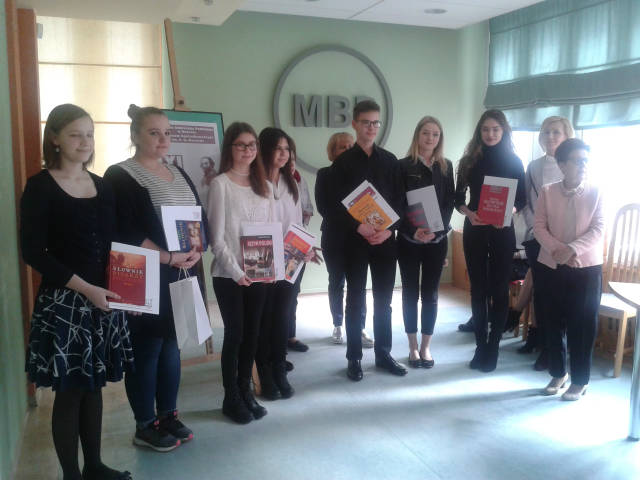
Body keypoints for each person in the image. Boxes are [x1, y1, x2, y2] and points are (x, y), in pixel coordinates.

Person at [21, 104, 133, 480]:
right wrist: (87, 289)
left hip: (103, 300)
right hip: (65, 303)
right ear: (54, 138)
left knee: (93, 386)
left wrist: (130, 291)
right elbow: (33, 252)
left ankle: (94, 466)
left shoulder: (102, 185)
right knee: (70, 391)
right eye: (75, 134)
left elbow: (113, 246)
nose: (85, 142)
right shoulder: (40, 187)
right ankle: (71, 475)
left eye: (89, 134)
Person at [104, 105, 204, 452]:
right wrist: (168, 257)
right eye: (153, 132)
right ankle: (145, 425)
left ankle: (168, 415)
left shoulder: (177, 171)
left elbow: (196, 217)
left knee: (172, 345)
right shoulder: (120, 175)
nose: (163, 139)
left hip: (181, 271)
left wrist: (197, 249)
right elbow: (125, 231)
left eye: (167, 132)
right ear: (135, 136)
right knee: (147, 349)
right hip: (145, 275)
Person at [327, 100, 407, 381]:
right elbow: (334, 205)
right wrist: (358, 227)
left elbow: (400, 201)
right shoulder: (342, 163)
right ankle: (354, 358)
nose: (371, 128)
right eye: (366, 123)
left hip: (385, 241)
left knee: (384, 301)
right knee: (355, 300)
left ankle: (384, 354)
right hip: (355, 242)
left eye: (375, 122)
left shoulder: (390, 161)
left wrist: (389, 229)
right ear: (355, 124)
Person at [207, 122, 272, 423]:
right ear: (230, 148)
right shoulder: (220, 184)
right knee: (235, 335)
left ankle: (246, 391)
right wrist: (236, 271)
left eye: (252, 145)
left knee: (252, 334)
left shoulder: (264, 185)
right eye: (241, 145)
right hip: (228, 274)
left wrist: (270, 266)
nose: (247, 150)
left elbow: (269, 232)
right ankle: (230, 396)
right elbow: (217, 239)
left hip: (259, 271)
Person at [455, 109, 526, 372]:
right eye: (485, 129)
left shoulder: (514, 161)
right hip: (475, 228)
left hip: (502, 230)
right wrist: (468, 213)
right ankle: (480, 346)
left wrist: (509, 212)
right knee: (478, 290)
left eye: (496, 129)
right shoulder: (468, 161)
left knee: (498, 290)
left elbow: (522, 199)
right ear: (479, 132)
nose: (490, 134)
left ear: (503, 131)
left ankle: (493, 346)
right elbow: (457, 198)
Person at [534, 138, 604, 401]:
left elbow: (598, 229)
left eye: (586, 161)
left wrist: (572, 250)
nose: (584, 165)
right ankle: (558, 373)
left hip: (586, 267)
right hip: (551, 265)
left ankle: (580, 380)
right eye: (578, 161)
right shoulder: (547, 191)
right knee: (552, 322)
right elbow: (538, 227)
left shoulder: (597, 191)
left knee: (582, 325)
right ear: (562, 165)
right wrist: (558, 250)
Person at [398, 116, 455, 368]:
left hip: (436, 240)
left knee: (430, 295)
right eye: (426, 133)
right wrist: (414, 230)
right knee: (410, 294)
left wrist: (435, 231)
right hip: (409, 240)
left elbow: (449, 202)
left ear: (440, 138)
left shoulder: (446, 166)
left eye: (435, 134)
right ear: (417, 135)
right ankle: (412, 346)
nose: (430, 138)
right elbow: (398, 203)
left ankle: (426, 346)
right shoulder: (402, 166)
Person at [519, 116, 574, 370]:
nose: (550, 137)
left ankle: (554, 349)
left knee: (559, 298)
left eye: (556, 132)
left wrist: (558, 238)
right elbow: (529, 204)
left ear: (566, 136)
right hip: (538, 238)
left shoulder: (574, 165)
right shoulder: (533, 166)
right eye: (546, 132)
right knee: (541, 295)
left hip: (565, 243)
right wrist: (540, 232)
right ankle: (541, 341)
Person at [255, 127, 305, 399]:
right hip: (262, 259)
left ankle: (279, 367)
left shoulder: (291, 182)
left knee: (282, 316)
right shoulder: (253, 181)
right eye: (278, 148)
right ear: (265, 150)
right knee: (264, 317)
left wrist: (303, 248)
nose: (283, 154)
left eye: (287, 149)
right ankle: (264, 372)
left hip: (290, 258)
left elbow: (295, 223)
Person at [315, 132, 372, 346]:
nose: (347, 150)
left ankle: (360, 327)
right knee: (336, 281)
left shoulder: (363, 175)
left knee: (358, 285)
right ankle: (338, 324)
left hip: (360, 239)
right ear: (333, 151)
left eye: (350, 146)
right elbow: (325, 208)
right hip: (334, 237)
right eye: (342, 147)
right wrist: (355, 223)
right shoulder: (324, 174)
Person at [285, 140, 311, 354]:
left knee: (293, 293)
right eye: (288, 159)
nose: (291, 163)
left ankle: (290, 336)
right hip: (276, 246)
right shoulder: (267, 181)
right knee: (279, 297)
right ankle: (275, 343)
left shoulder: (299, 180)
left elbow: (308, 209)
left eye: (293, 159)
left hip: (297, 243)